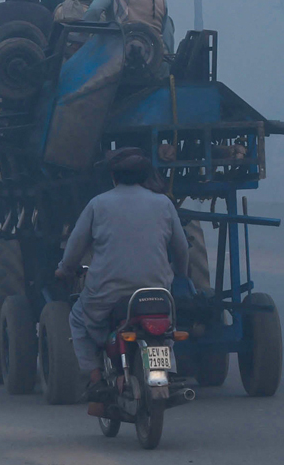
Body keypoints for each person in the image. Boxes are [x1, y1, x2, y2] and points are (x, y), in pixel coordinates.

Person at [54, 147, 189, 399]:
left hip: (107, 295)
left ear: (113, 178)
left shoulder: (98, 204)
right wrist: (179, 273)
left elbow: (74, 248)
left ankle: (95, 378)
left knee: (77, 319)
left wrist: (64, 270)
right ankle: (165, 372)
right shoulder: (164, 204)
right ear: (145, 177)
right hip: (156, 292)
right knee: (166, 328)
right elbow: (181, 249)